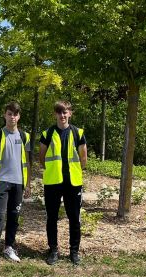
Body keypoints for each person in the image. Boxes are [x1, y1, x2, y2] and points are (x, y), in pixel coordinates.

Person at [39, 100, 87, 265]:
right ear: (55, 114)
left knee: (74, 218)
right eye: (59, 112)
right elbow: (42, 158)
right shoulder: (47, 134)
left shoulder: (78, 133)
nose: (62, 115)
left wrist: (74, 172)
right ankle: (53, 250)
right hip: (53, 183)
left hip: (73, 183)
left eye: (65, 112)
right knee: (51, 218)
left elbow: (83, 159)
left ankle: (74, 252)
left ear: (70, 113)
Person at [0, 102, 31, 265]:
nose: (12, 117)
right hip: (1, 182)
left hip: (18, 183)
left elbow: (27, 162)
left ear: (19, 116)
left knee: (14, 216)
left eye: (15, 114)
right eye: (9, 113)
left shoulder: (25, 136)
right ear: (5, 115)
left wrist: (29, 184)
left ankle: (9, 247)